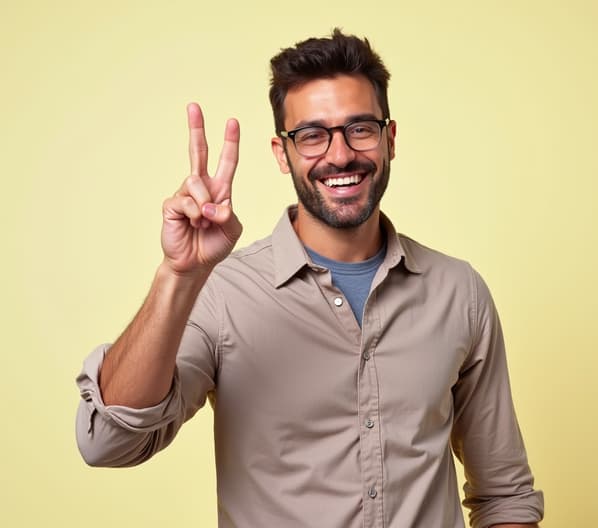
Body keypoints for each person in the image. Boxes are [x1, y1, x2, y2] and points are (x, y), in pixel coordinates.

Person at [75, 29, 544, 528]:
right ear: (282, 154)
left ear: (389, 139)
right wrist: (177, 275)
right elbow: (108, 442)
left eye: (360, 128)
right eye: (313, 135)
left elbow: (504, 495)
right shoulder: (222, 295)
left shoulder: (459, 293)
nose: (340, 155)